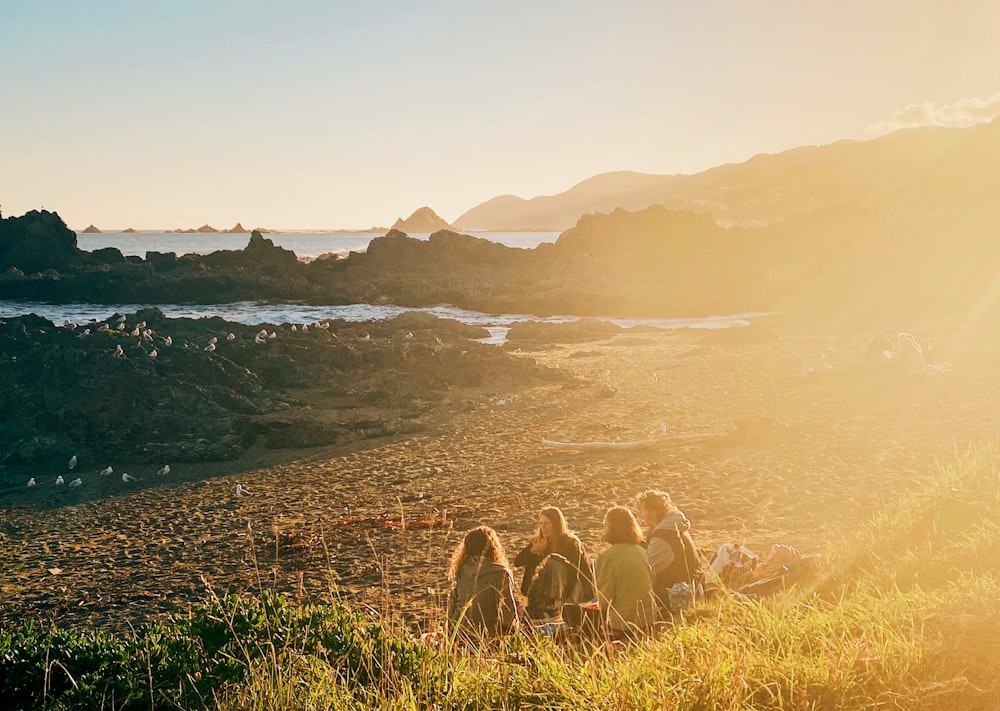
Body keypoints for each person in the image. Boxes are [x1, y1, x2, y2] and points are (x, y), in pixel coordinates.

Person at [513, 506, 594, 618]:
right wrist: (533, 551)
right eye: (541, 524)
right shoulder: (540, 541)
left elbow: (574, 574)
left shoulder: (570, 543)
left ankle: (553, 605)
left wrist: (562, 598)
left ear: (556, 525)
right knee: (537, 562)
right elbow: (517, 562)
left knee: (554, 562)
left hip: (574, 587)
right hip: (550, 587)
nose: (543, 527)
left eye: (547, 524)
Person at [446, 526, 519, 640]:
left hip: (459, 633)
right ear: (493, 547)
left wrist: (449, 632)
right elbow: (508, 612)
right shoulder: (501, 573)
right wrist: (515, 631)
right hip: (488, 636)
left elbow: (453, 605)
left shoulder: (462, 569)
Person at [594, 506, 656, 639]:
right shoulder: (642, 552)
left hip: (623, 625)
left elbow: (604, 599)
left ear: (611, 528)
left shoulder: (607, 558)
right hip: (648, 621)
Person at [636, 489, 701, 609]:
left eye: (643, 510)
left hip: (677, 597)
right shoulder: (672, 526)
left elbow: (646, 571)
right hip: (690, 588)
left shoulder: (663, 536)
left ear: (653, 512)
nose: (640, 514)